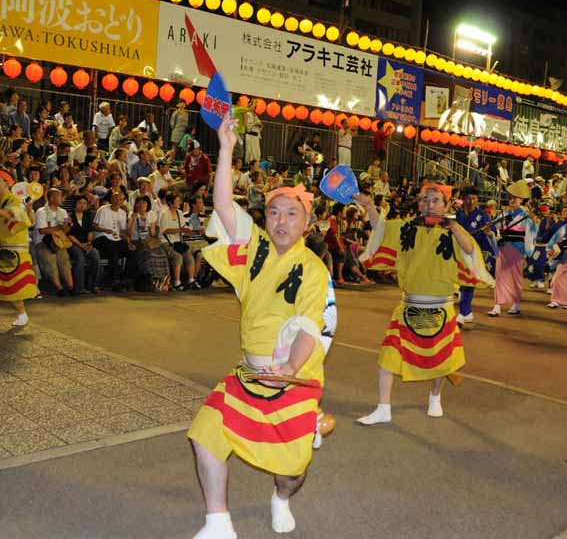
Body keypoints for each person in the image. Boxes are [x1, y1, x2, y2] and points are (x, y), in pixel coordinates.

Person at [187, 117, 336, 539]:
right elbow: (221, 207)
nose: (281, 221)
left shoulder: (313, 269)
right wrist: (226, 148)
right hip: (249, 374)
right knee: (204, 433)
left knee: (291, 471)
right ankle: (218, 522)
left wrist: (290, 366)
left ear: (306, 222)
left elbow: (312, 324)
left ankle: (282, 497)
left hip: (293, 380)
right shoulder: (253, 248)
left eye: (292, 214)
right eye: (274, 212)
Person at [355, 182, 493, 423]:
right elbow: (381, 230)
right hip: (408, 305)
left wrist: (453, 225)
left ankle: (435, 397)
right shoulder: (407, 227)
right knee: (388, 355)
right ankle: (383, 408)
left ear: (446, 205)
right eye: (424, 200)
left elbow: (470, 250)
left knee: (441, 361)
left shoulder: (454, 230)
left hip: (441, 306)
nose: (428, 205)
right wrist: (369, 207)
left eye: (434, 201)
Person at [487, 180, 537, 317]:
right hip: (503, 249)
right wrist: (490, 233)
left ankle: (516, 303)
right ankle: (497, 306)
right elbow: (494, 229)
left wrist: (533, 222)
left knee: (515, 277)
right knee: (499, 277)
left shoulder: (525, 216)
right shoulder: (503, 215)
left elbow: (531, 233)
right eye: (510, 197)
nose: (512, 200)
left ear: (521, 200)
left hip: (517, 249)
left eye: (515, 198)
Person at [0, 170, 37, 326]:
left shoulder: (14, 200)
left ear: (6, 183)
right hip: (3, 246)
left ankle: (22, 314)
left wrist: (4, 213)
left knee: (13, 287)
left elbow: (17, 215)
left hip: (13, 250)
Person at [455, 187, 494, 325]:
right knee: (461, 282)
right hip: (458, 252)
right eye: (468, 198)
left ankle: (462, 312)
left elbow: (492, 233)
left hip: (474, 253)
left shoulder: (482, 216)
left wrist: (489, 233)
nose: (471, 201)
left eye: (474, 199)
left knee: (468, 282)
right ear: (463, 200)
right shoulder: (458, 214)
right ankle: (467, 312)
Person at [33, 188, 74, 296]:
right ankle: (59, 288)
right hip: (43, 242)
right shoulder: (41, 211)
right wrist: (60, 227)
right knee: (50, 262)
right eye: (60, 196)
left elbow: (65, 230)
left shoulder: (63, 212)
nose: (62, 199)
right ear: (51, 198)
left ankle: (70, 287)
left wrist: (68, 225)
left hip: (59, 241)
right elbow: (43, 230)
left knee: (64, 261)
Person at [93, 191, 133, 292]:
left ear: (123, 201)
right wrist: (104, 230)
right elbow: (94, 226)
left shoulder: (123, 213)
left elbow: (122, 232)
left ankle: (126, 279)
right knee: (113, 251)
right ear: (111, 199)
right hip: (102, 237)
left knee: (131, 252)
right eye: (115, 198)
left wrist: (128, 242)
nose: (117, 201)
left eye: (120, 199)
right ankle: (114, 281)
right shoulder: (103, 209)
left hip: (116, 238)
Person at [158, 191, 197, 290]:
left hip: (178, 242)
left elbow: (183, 227)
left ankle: (191, 280)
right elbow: (164, 230)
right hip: (166, 242)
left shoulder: (179, 213)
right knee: (177, 256)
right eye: (177, 201)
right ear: (170, 203)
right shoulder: (164, 213)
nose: (179, 203)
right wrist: (180, 230)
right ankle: (177, 282)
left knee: (188, 254)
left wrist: (192, 231)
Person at [68, 195, 101, 294]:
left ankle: (93, 285)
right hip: (73, 243)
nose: (82, 205)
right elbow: (68, 234)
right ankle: (79, 287)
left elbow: (90, 231)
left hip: (86, 243)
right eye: (80, 203)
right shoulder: (70, 216)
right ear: (75, 205)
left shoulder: (88, 216)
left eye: (84, 203)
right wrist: (80, 245)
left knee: (95, 256)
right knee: (80, 259)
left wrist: (89, 242)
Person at [525, 203, 557, 290]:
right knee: (533, 262)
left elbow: (551, 233)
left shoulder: (552, 221)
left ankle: (541, 280)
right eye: (543, 211)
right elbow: (538, 232)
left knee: (540, 263)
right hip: (538, 244)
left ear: (548, 211)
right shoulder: (542, 220)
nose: (544, 213)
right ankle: (535, 280)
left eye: (546, 211)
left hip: (545, 245)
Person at [244, 100, 263, 164]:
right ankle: (250, 165)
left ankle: (256, 165)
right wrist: (255, 123)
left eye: (255, 106)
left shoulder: (255, 115)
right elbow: (247, 127)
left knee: (257, 153)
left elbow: (260, 125)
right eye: (253, 105)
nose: (254, 107)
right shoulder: (247, 114)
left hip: (256, 136)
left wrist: (260, 125)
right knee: (250, 153)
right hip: (250, 135)